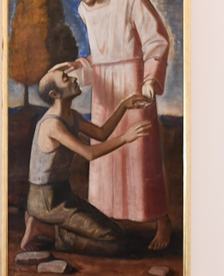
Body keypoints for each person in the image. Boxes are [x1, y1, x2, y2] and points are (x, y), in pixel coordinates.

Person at [57, 0, 172, 250]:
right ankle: (110, 220)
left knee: (141, 154)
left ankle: (161, 221)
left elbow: (156, 40)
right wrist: (78, 66)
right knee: (107, 155)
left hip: (134, 83)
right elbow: (101, 58)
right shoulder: (84, 10)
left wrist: (149, 80)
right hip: (105, 90)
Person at [21, 68, 152, 254]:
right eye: (65, 78)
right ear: (55, 94)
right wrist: (125, 138)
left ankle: (43, 226)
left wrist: (124, 106)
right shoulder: (53, 125)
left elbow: (101, 134)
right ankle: (43, 229)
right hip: (45, 202)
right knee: (114, 243)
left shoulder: (72, 116)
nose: (73, 79)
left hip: (64, 195)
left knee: (117, 232)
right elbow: (89, 153)